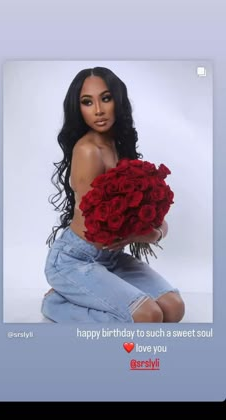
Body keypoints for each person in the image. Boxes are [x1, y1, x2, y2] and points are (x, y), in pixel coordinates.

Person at [41, 66, 185, 323]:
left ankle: (84, 293)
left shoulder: (119, 145)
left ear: (118, 100)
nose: (98, 109)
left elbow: (153, 224)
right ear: (78, 108)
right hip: (75, 260)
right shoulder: (88, 151)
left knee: (173, 309)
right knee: (148, 317)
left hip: (112, 257)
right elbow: (101, 228)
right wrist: (149, 232)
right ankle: (56, 303)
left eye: (105, 98)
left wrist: (154, 230)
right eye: (87, 102)